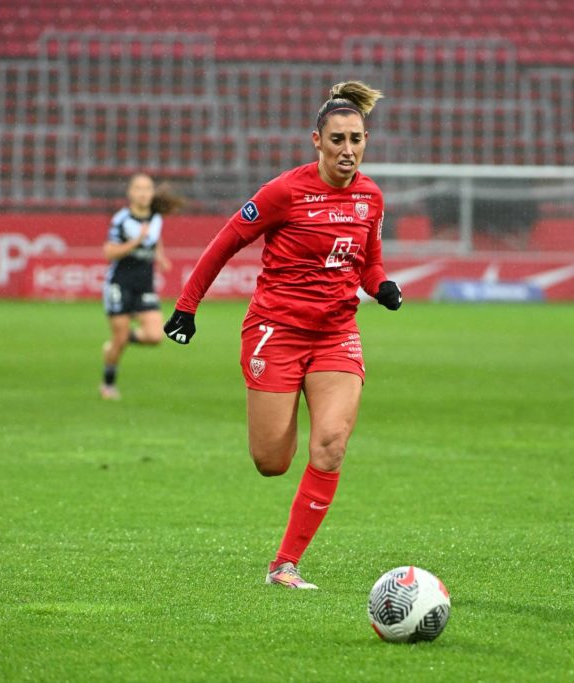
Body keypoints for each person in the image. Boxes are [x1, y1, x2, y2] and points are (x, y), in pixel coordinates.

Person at [162, 81, 402, 589]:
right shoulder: (284, 192)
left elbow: (369, 264)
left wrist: (382, 286)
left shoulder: (371, 197)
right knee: (272, 461)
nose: (348, 150)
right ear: (317, 141)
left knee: (331, 444)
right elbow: (225, 243)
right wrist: (187, 306)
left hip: (336, 334)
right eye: (337, 139)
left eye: (356, 139)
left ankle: (285, 564)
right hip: (276, 331)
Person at [100, 173, 182, 400]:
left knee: (155, 336)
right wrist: (136, 241)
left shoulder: (156, 217)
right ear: (130, 193)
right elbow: (109, 252)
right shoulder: (121, 220)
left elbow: (155, 238)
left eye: (147, 188)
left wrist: (160, 256)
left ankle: (119, 340)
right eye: (138, 188)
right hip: (120, 284)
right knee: (119, 341)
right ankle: (108, 384)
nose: (143, 193)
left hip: (145, 285)